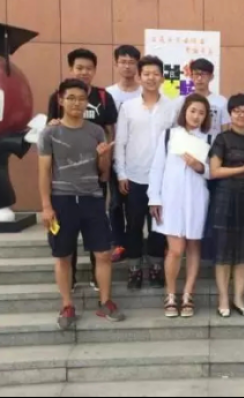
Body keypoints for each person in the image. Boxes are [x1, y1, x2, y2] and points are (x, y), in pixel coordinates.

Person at [38, 79, 125, 330]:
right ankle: (67, 305)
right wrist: (46, 206)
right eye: (71, 98)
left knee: (103, 254)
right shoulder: (50, 133)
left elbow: (103, 174)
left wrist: (103, 157)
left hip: (92, 199)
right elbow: (44, 172)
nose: (77, 103)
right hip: (62, 200)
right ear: (61, 100)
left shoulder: (96, 131)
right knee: (63, 256)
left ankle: (105, 301)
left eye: (82, 98)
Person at [46, 48, 118, 292]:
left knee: (97, 234)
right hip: (65, 181)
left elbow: (110, 130)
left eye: (89, 68)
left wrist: (106, 161)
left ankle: (98, 279)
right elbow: (51, 126)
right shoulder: (59, 95)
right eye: (79, 68)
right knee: (66, 236)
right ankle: (71, 277)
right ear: (71, 68)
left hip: (95, 174)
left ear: (95, 70)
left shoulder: (103, 96)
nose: (84, 72)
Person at [148, 94, 213, 318]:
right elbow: (157, 168)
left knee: (194, 246)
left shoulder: (209, 139)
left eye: (201, 113)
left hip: (197, 198)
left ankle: (188, 294)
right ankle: (170, 294)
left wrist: (199, 167)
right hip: (171, 199)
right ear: (185, 111)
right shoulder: (169, 135)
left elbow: (213, 172)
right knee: (175, 249)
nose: (196, 116)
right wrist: (154, 198)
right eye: (193, 111)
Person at [204, 94, 244, 318]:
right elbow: (214, 171)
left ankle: (239, 297)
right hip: (225, 197)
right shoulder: (222, 139)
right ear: (230, 114)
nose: (242, 115)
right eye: (237, 111)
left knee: (243, 251)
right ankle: (223, 298)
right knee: (223, 250)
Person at [115, 55, 174, 290]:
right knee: (134, 224)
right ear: (139, 77)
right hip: (135, 177)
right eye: (146, 74)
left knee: (158, 225)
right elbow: (120, 142)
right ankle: (134, 268)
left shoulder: (171, 107)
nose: (151, 78)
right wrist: (121, 173)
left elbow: (175, 141)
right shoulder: (128, 107)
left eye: (155, 74)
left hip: (163, 178)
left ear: (162, 78)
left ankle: (156, 267)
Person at [107, 45, 142, 264]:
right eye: (123, 62)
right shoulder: (108, 94)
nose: (127, 66)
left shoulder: (144, 93)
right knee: (116, 204)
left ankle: (138, 243)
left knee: (137, 208)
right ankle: (119, 243)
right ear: (116, 64)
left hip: (140, 158)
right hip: (115, 157)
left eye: (131, 62)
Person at [172, 58, 231, 136]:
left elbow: (225, 129)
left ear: (211, 77)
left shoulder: (221, 102)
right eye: (196, 74)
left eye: (203, 75)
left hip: (213, 143)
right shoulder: (182, 100)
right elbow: (177, 125)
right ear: (191, 76)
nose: (199, 78)